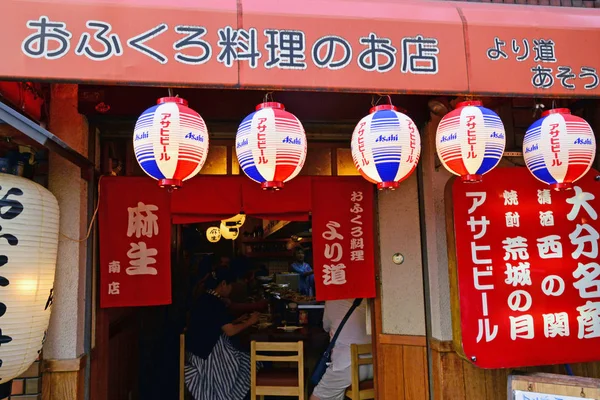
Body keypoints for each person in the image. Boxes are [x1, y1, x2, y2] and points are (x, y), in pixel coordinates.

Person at [185, 268, 260, 400]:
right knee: (249, 362)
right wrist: (250, 322)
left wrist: (237, 321)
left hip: (197, 351)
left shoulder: (205, 298)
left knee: (245, 357)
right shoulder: (215, 303)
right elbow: (230, 331)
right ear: (223, 284)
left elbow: (215, 323)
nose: (231, 288)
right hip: (207, 355)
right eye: (230, 285)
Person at [310, 299, 373, 400]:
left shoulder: (332, 299)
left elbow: (326, 327)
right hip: (376, 364)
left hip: (347, 365)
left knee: (318, 396)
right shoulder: (368, 297)